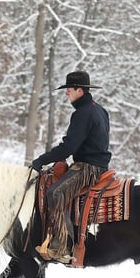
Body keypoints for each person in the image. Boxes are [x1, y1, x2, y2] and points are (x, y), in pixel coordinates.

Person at [31, 71, 111, 263]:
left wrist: (41, 160)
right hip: (98, 164)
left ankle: (63, 246)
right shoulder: (99, 109)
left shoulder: (82, 114)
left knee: (55, 192)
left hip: (87, 167)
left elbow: (69, 147)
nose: (66, 93)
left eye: (69, 90)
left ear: (79, 90)